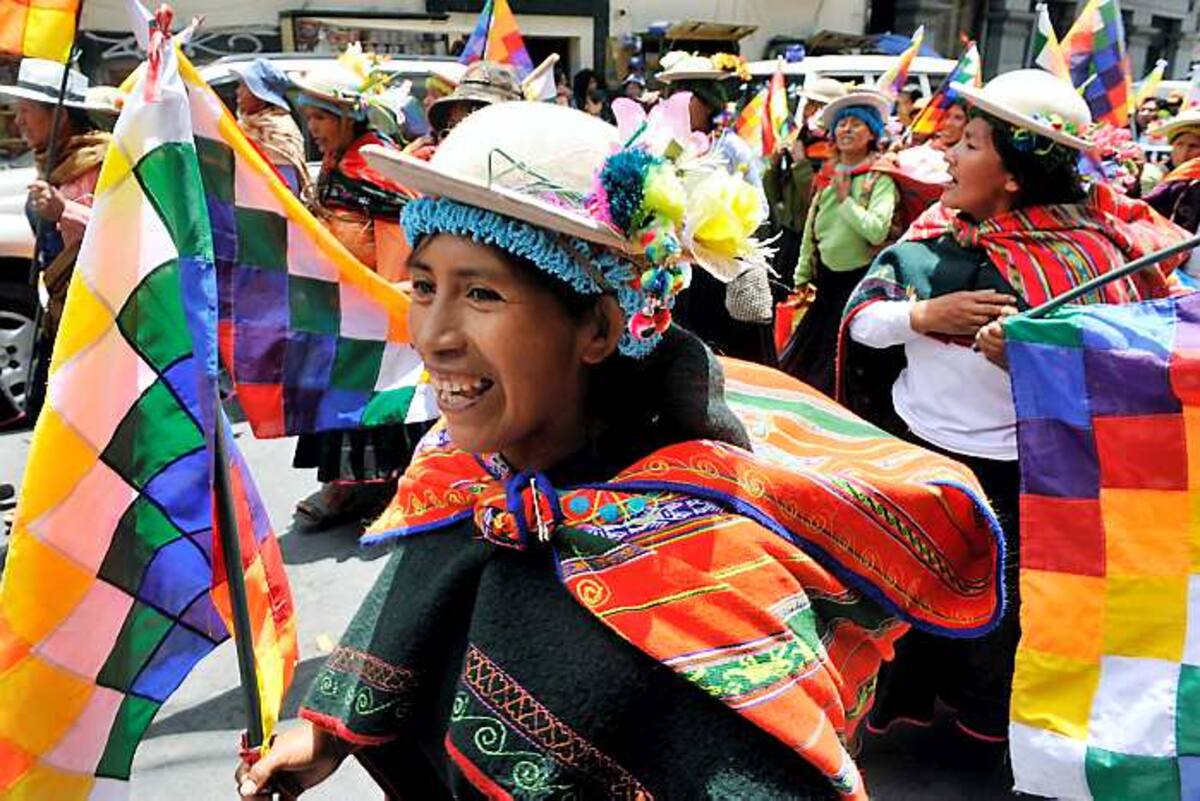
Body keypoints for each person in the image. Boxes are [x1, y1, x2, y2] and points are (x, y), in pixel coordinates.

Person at [235, 98, 1004, 801]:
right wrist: (326, 734)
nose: (432, 336)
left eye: (482, 293)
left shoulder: (714, 580)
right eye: (424, 287)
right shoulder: (465, 469)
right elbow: (406, 606)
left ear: (600, 326)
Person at [844, 69, 1186, 749]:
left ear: (1013, 176)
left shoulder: (1091, 260)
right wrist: (923, 315)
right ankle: (906, 700)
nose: (948, 153)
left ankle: (990, 730)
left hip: (1023, 477)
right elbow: (862, 324)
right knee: (909, 593)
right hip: (917, 459)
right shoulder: (932, 236)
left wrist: (1034, 359)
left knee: (999, 613)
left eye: (970, 144)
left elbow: (1129, 378)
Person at [288, 52, 425, 528]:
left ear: (348, 117)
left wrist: (386, 306)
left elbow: (397, 245)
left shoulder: (373, 169)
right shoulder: (336, 163)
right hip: (341, 306)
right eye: (309, 116)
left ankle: (388, 490)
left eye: (321, 117)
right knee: (342, 399)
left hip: (377, 304)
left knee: (383, 399)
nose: (313, 127)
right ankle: (350, 486)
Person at [0, 59, 115, 419]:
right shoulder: (52, 163)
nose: (18, 121)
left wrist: (65, 210)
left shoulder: (103, 162)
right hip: (61, 312)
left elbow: (121, 233)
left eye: (27, 111)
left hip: (102, 315)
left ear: (60, 116)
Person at [654, 51, 776, 364]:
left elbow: (760, 210)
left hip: (718, 273)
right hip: (677, 270)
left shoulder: (731, 148)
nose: (675, 105)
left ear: (707, 101)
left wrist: (719, 228)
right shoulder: (667, 147)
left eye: (685, 97)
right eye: (671, 96)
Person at [780, 89, 898, 397]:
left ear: (872, 133)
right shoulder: (828, 175)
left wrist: (846, 200)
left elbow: (876, 231)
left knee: (839, 371)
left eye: (856, 123)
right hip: (826, 286)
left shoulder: (880, 178)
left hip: (858, 286)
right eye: (842, 124)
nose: (846, 129)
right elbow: (812, 228)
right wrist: (802, 274)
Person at [763, 77, 847, 285]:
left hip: (814, 240)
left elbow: (815, 198)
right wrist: (775, 164)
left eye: (817, 105)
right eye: (809, 103)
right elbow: (773, 195)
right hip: (788, 234)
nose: (808, 110)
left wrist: (801, 163)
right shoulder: (798, 139)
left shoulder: (836, 151)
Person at [228, 58, 310, 198]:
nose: (238, 91)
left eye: (244, 86)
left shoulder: (279, 132)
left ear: (259, 95)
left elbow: (287, 188)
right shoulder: (244, 125)